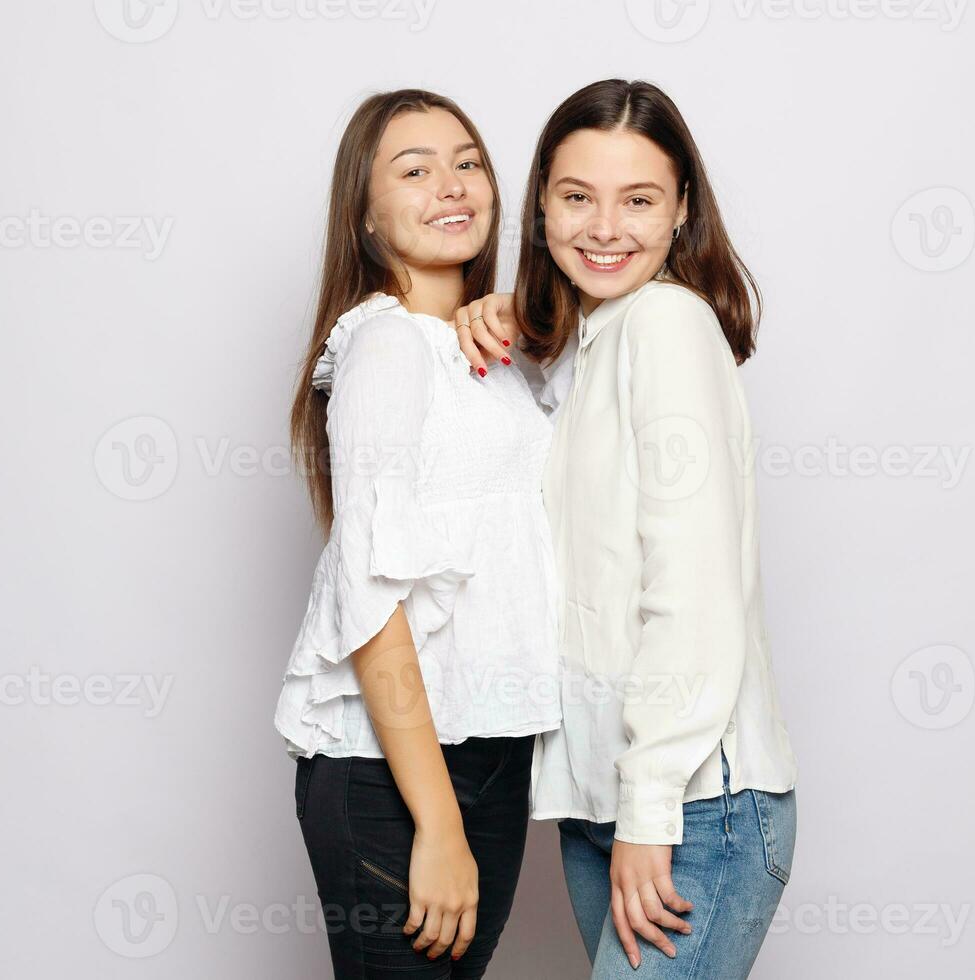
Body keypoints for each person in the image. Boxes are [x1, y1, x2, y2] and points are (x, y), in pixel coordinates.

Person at [454, 78, 800, 979]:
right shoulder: (585, 349)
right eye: (577, 198)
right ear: (540, 208)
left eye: (639, 200)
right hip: (603, 801)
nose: (605, 227)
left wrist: (650, 813)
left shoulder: (668, 327)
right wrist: (497, 324)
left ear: (683, 211)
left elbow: (690, 594)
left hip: (689, 807)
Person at [276, 89, 562, 979]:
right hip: (394, 774)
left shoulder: (495, 353)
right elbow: (369, 594)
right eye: (415, 168)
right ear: (364, 217)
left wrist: (530, 316)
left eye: (468, 161)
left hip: (489, 755)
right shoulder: (386, 348)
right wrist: (436, 822)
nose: (452, 184)